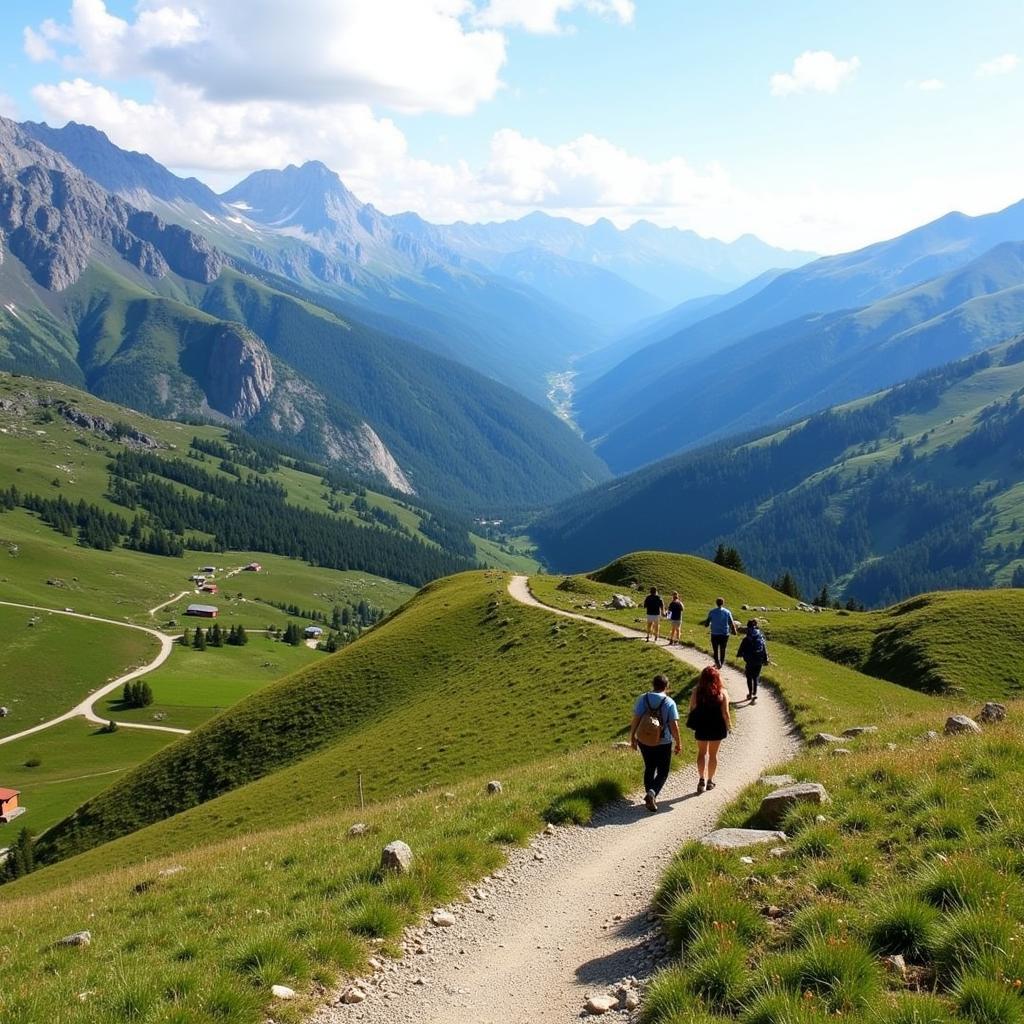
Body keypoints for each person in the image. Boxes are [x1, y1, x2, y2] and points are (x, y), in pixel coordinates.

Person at [629, 673, 681, 811]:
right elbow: (674, 726)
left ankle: (649, 795)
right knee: (663, 771)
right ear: (666, 686)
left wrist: (632, 737)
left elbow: (636, 719)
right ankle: (652, 793)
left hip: (644, 740)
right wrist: (678, 742)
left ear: (653, 685)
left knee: (650, 767)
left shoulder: (643, 698)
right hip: (663, 741)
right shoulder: (669, 702)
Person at [687, 665, 731, 793]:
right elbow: (725, 713)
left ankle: (701, 779)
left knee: (701, 753)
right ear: (717, 678)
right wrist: (729, 726)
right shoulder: (722, 692)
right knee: (713, 755)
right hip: (717, 726)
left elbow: (692, 708)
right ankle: (710, 781)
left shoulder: (697, 691)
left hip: (702, 725)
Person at [736, 618, 769, 703]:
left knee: (749, 677)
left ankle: (750, 693)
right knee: (756, 677)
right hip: (759, 660)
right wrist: (766, 659)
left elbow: (741, 649)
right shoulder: (760, 636)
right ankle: (755, 693)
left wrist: (739, 654)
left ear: (748, 627)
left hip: (750, 661)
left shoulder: (747, 638)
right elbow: (764, 648)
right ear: (756, 626)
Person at [702, 597, 737, 668]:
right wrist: (734, 631)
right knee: (723, 648)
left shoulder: (712, 612)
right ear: (723, 603)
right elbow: (731, 622)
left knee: (715, 649)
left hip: (715, 633)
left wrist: (706, 624)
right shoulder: (727, 612)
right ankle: (721, 662)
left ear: (716, 603)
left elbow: (707, 623)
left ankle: (717, 662)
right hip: (724, 633)